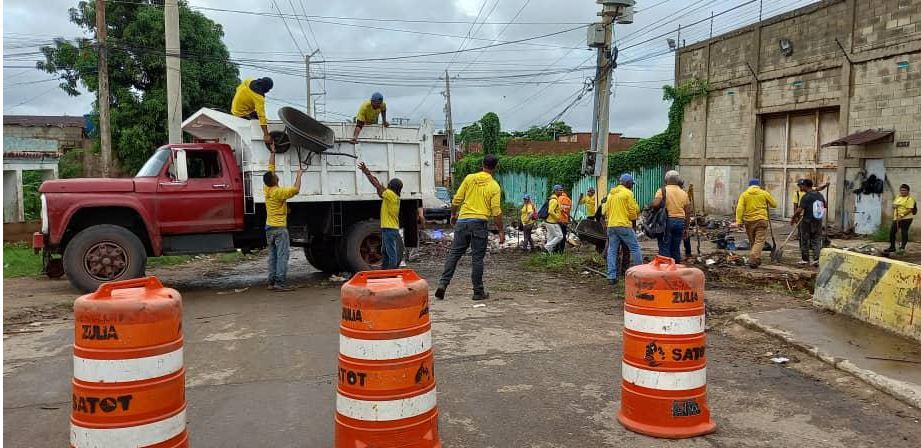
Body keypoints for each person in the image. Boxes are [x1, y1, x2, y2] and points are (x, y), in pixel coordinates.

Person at [435, 154, 504, 301]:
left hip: (462, 221)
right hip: (479, 224)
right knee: (477, 259)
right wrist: (501, 231)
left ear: (482, 164)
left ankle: (442, 284)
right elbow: (496, 211)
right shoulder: (494, 186)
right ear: (495, 168)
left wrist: (453, 215)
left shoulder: (469, 178)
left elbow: (457, 199)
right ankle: (478, 292)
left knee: (454, 254)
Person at [263, 149, 303, 291]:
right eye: (275, 175)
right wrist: (299, 175)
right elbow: (296, 189)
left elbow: (270, 167)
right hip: (279, 228)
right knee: (282, 256)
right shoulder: (278, 192)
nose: (276, 174)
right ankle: (280, 283)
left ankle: (271, 282)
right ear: (274, 180)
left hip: (269, 227)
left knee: (273, 256)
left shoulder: (267, 189)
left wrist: (273, 152)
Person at [357, 162, 403, 269]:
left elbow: (377, 185)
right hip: (389, 229)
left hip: (390, 229)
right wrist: (369, 174)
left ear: (391, 187)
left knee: (390, 252)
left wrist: (367, 173)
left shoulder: (391, 195)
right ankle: (385, 270)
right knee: (385, 251)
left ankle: (392, 272)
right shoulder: (392, 196)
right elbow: (379, 187)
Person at [604, 173, 642, 285]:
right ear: (628, 183)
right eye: (631, 184)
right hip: (623, 225)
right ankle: (641, 274)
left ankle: (611, 276)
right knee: (635, 248)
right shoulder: (628, 193)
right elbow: (632, 211)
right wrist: (634, 217)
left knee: (612, 250)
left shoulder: (611, 194)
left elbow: (606, 210)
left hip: (611, 226)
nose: (632, 186)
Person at [733, 178, 778, 268]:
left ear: (749, 186)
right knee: (759, 241)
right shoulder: (764, 193)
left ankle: (756, 259)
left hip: (748, 221)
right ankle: (754, 258)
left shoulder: (744, 194)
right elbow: (774, 204)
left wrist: (738, 221)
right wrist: (767, 199)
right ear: (758, 185)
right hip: (761, 220)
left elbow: (739, 208)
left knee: (753, 241)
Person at [651, 170, 691, 262]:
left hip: (666, 221)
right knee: (676, 247)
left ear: (666, 180)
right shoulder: (684, 193)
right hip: (680, 222)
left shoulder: (662, 190)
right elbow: (688, 212)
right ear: (678, 180)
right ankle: (675, 268)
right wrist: (686, 228)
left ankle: (665, 271)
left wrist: (653, 203)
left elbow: (656, 204)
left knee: (665, 246)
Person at [791, 178, 826, 266]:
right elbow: (825, 205)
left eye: (800, 185)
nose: (799, 187)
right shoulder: (819, 195)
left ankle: (805, 259)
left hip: (807, 221)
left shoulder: (806, 196)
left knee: (805, 240)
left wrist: (793, 217)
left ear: (805, 186)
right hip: (818, 220)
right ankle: (816, 259)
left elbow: (799, 210)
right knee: (816, 240)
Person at [231, 77, 275, 147]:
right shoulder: (259, 97)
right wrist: (266, 135)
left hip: (234, 107)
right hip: (240, 114)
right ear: (265, 88)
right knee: (260, 120)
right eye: (268, 89)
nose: (268, 91)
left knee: (261, 118)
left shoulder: (248, 80)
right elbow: (261, 116)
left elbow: (237, 89)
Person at [887, 184, 917, 254]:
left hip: (906, 219)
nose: (902, 191)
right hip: (896, 218)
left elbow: (910, 209)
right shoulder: (898, 197)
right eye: (901, 190)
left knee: (904, 232)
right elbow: (894, 205)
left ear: (908, 191)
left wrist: (901, 215)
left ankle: (902, 248)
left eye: (904, 190)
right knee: (892, 232)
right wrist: (894, 206)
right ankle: (892, 247)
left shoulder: (910, 199)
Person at [544, 186, 564, 253]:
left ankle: (547, 253)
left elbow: (554, 209)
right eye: (560, 190)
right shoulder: (554, 200)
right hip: (552, 222)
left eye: (562, 190)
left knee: (550, 237)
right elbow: (550, 211)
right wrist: (557, 218)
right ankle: (547, 247)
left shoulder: (554, 199)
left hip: (549, 221)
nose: (561, 191)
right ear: (555, 191)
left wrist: (560, 209)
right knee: (560, 236)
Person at [556, 187, 573, 253]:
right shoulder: (569, 200)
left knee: (557, 235)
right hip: (565, 220)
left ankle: (556, 249)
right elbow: (568, 211)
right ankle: (561, 250)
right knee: (563, 235)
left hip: (559, 219)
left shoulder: (558, 198)